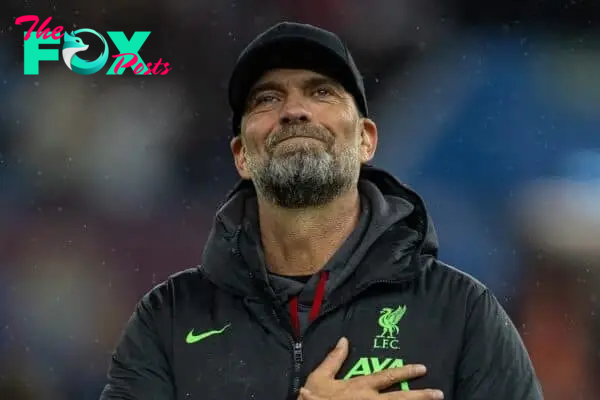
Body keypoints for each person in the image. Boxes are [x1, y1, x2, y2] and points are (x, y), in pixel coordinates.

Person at [99, 22, 543, 400]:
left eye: (322, 92)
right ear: (241, 156)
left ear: (366, 139)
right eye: (267, 99)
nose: (294, 110)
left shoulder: (462, 313)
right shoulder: (170, 318)